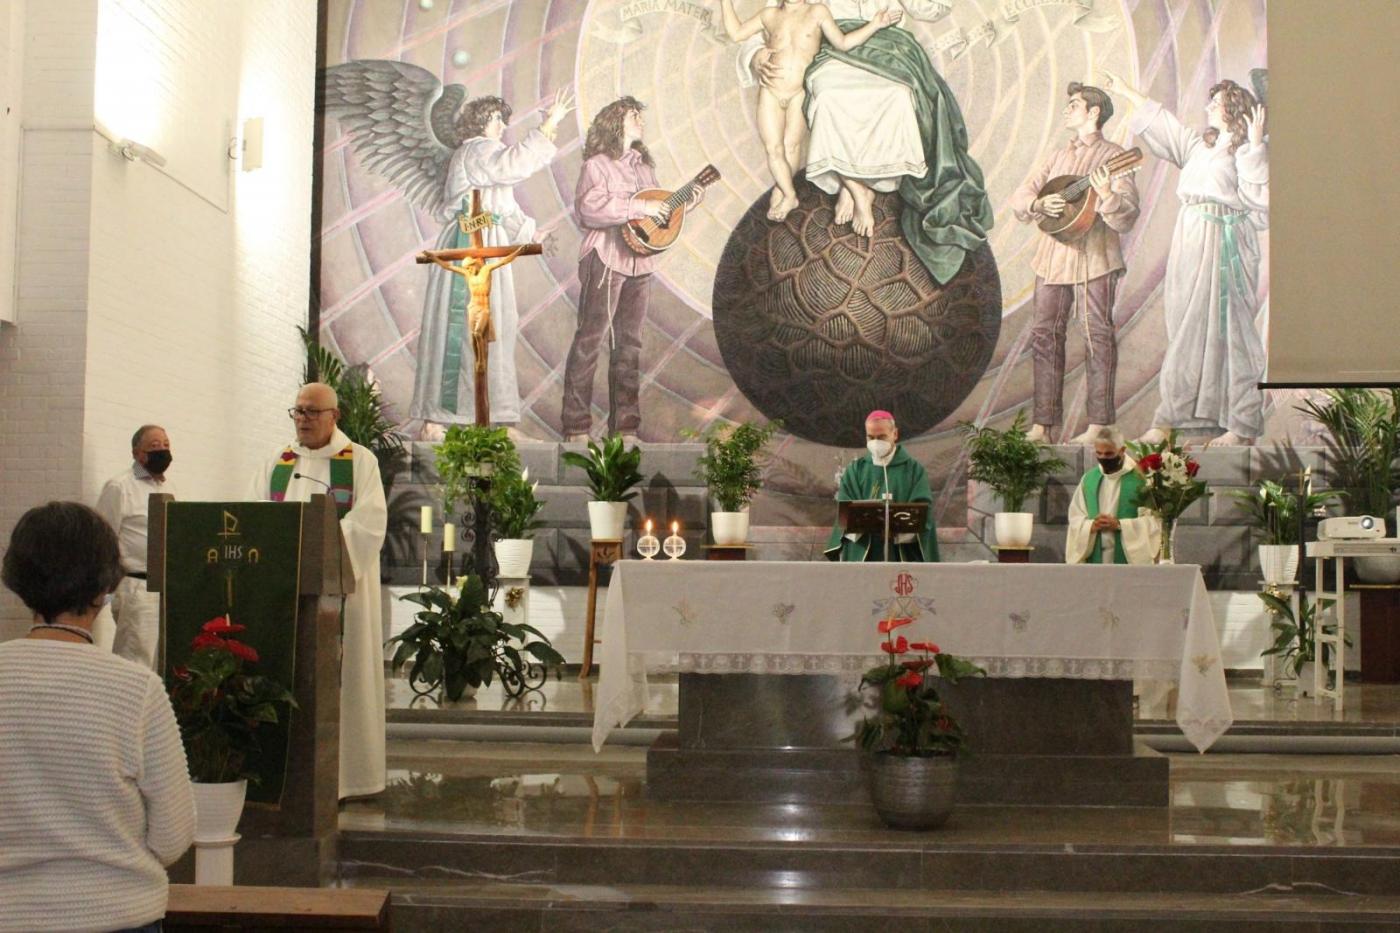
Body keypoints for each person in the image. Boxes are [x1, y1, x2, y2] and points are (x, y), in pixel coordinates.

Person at [0, 501, 195, 933]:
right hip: (116, 913)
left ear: (18, 581)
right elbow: (173, 834)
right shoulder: (135, 689)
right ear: (104, 588)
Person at [749, 0, 992, 275]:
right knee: (829, 98)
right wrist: (756, 54)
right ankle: (853, 186)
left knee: (899, 97)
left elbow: (933, 9)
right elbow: (771, 15)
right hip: (835, 50)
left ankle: (863, 182)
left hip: (890, 49)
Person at [1104, 71, 1269, 447]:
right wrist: (1127, 91)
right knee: (1185, 326)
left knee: (1231, 331)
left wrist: (1256, 147)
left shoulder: (1245, 152)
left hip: (1226, 243)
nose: (1209, 106)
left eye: (1218, 101)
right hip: (1191, 238)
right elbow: (1167, 128)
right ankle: (1179, 419)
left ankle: (1241, 424)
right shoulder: (1200, 148)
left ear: (1234, 109)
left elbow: (1260, 202)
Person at [248, 383, 388, 799]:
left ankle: (347, 780)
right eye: (298, 411)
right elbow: (256, 512)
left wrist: (317, 542)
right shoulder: (279, 461)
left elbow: (368, 523)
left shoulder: (360, 462)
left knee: (343, 681)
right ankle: (289, 777)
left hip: (340, 595)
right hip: (285, 593)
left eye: (312, 412)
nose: (303, 419)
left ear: (335, 416)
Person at [410, 89, 573, 437]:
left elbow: (505, 207)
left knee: (494, 328)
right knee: (462, 329)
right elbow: (509, 167)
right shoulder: (475, 150)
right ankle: (437, 419)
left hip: (487, 240)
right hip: (468, 242)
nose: (502, 126)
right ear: (481, 120)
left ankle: (494, 418)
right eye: (497, 118)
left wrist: (533, 233)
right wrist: (549, 125)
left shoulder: (485, 156)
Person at [561, 97, 703, 442]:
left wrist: (685, 204)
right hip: (606, 257)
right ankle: (576, 427)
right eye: (633, 115)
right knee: (590, 340)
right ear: (615, 123)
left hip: (641, 261)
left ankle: (625, 429)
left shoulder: (644, 168)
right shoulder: (597, 164)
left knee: (630, 345)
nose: (640, 120)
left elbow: (656, 217)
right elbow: (589, 210)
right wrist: (640, 205)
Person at [1010, 82, 1140, 445]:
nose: (1067, 109)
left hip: (1094, 257)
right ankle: (1043, 425)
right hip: (1052, 258)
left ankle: (1100, 423)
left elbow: (1127, 216)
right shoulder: (1057, 156)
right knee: (1044, 335)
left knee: (1097, 334)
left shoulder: (1114, 156)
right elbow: (1022, 195)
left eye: (1074, 104)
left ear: (1094, 112)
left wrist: (1109, 195)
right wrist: (1039, 205)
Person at [721, 0, 902, 222]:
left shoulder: (817, 11)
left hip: (799, 92)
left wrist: (875, 24)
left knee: (791, 145)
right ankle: (789, 193)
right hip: (770, 90)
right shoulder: (769, 14)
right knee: (773, 148)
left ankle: (786, 190)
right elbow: (737, 33)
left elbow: (843, 43)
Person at [94, 423, 177, 669]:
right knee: (135, 661)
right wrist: (106, 592)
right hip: (135, 586)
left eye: (166, 445)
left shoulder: (167, 487)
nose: (162, 450)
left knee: (160, 664)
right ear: (137, 453)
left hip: (163, 587)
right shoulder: (120, 487)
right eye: (154, 446)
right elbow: (103, 539)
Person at [824, 409, 938, 561]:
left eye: (882, 437)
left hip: (899, 552)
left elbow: (924, 514)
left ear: (895, 434)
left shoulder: (914, 471)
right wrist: (864, 524)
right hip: (864, 552)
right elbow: (845, 512)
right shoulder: (855, 470)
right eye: (871, 437)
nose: (876, 443)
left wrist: (898, 530)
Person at [1065, 426, 1160, 564]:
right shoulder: (1089, 480)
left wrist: (1120, 525)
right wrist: (1090, 526)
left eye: (1109, 454)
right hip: (1095, 560)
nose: (1103, 458)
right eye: (1099, 453)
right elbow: (1075, 517)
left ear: (1122, 450)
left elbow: (1154, 522)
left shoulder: (1141, 478)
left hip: (1128, 562)